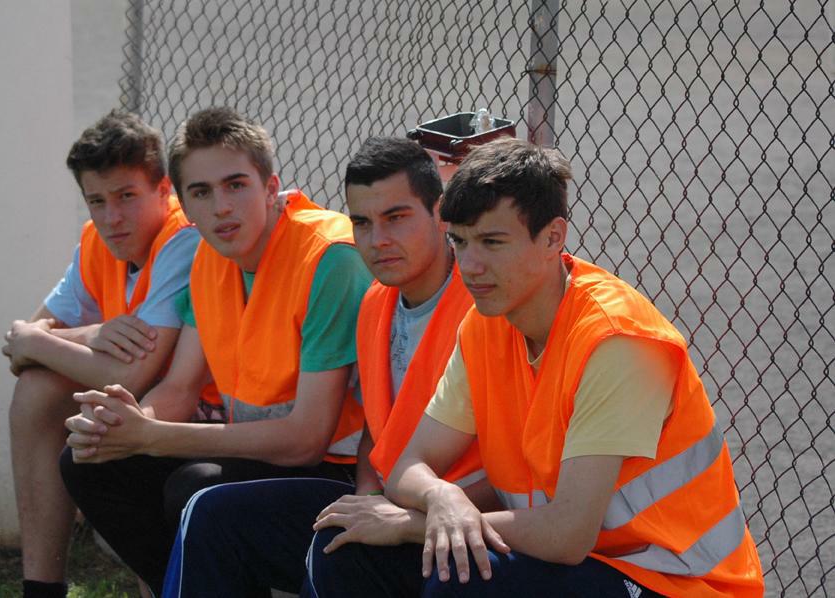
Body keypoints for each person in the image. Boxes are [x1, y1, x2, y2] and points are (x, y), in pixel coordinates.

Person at [311, 138, 765, 597]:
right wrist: (441, 497)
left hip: (674, 580)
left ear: (553, 237)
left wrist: (416, 525)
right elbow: (410, 464)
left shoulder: (616, 339)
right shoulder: (486, 324)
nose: (470, 265)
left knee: (463, 580)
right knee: (348, 549)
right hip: (571, 561)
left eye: (492, 242)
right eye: (459, 241)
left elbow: (567, 535)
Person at [161, 136, 493, 597]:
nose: (378, 240)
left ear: (440, 214)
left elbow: (509, 468)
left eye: (396, 218)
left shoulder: (483, 306)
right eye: (363, 222)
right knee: (208, 511)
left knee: (333, 552)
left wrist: (403, 517)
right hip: (386, 496)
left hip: (461, 518)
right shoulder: (375, 300)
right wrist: (366, 498)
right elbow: (379, 432)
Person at [59, 106, 372, 595]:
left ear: (270, 188)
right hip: (262, 453)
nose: (220, 207)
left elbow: (307, 438)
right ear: (183, 203)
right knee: (91, 461)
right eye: (201, 192)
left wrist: (154, 436)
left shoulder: (329, 258)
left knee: (196, 487)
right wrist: (128, 424)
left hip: (343, 474)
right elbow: (180, 388)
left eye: (235, 185)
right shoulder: (209, 257)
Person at [2, 110, 203, 598]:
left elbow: (129, 372)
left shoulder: (185, 240)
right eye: (97, 201)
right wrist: (90, 333)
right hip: (148, 406)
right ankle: (41, 588)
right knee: (39, 387)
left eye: (126, 196)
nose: (111, 217)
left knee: (105, 421)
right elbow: (24, 346)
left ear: (163, 190)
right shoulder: (96, 243)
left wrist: (36, 341)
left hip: (205, 415)